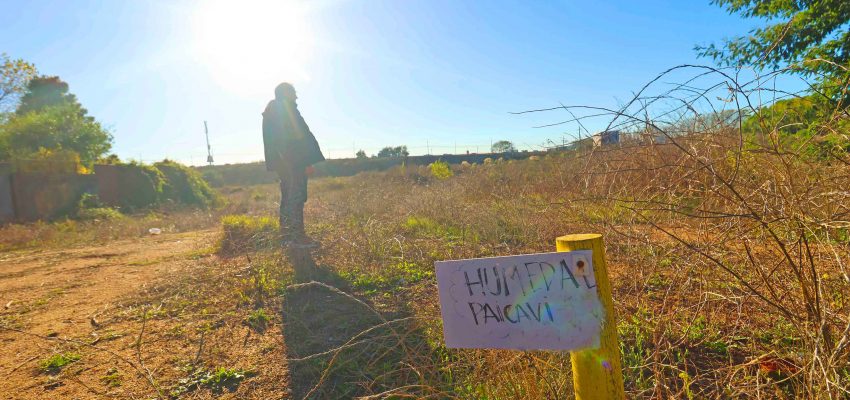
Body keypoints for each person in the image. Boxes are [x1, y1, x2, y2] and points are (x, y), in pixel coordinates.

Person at [262, 82, 324, 247]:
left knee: (288, 198)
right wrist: (305, 162)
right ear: (286, 93)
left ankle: (287, 238)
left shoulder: (274, 110)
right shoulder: (284, 109)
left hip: (284, 162)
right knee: (296, 198)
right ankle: (298, 238)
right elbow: (295, 138)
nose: (296, 96)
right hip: (293, 162)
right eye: (294, 92)